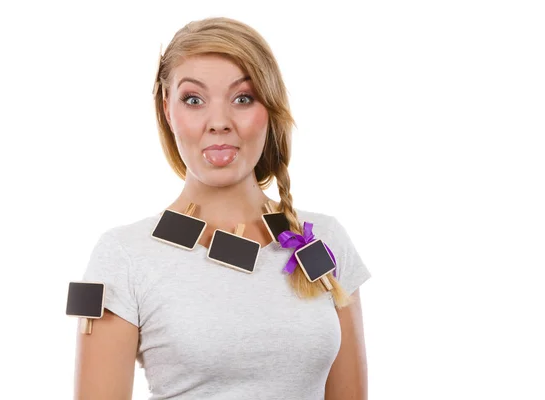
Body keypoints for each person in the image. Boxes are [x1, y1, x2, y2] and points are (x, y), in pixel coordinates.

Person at [74, 16, 372, 400]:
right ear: (168, 111)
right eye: (193, 100)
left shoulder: (327, 239)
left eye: (242, 98)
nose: (219, 122)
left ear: (270, 106)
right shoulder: (124, 255)